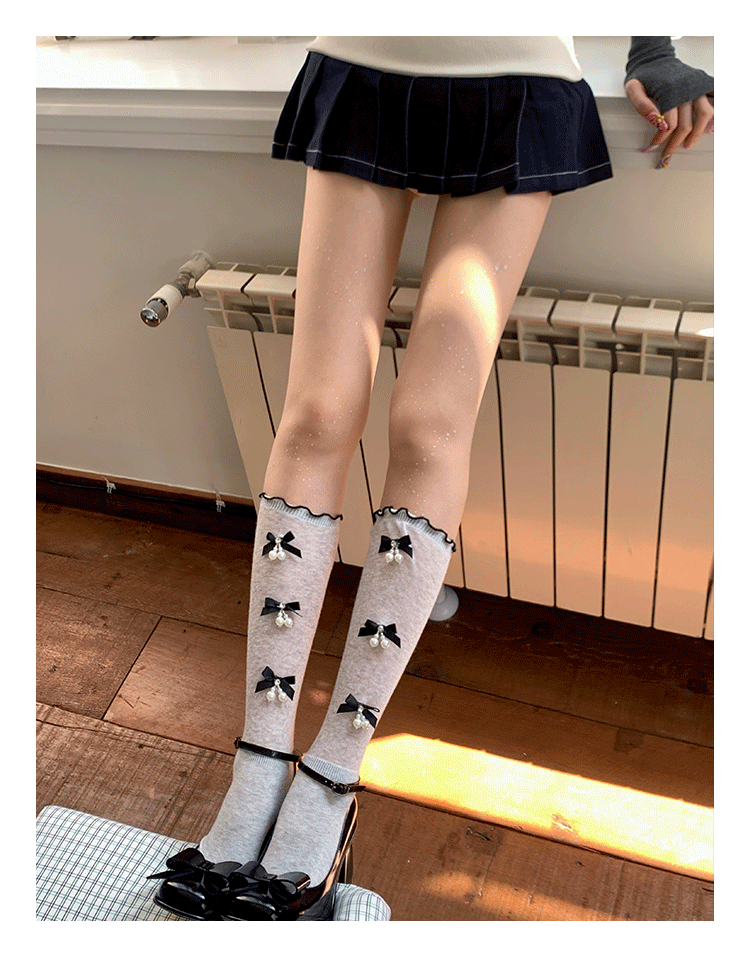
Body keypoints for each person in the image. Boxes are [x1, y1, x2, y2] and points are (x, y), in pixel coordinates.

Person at [148, 36, 714, 921]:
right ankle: (258, 762)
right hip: (367, 58)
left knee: (430, 425)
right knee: (316, 414)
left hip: (517, 76)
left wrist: (654, 45)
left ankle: (333, 773)